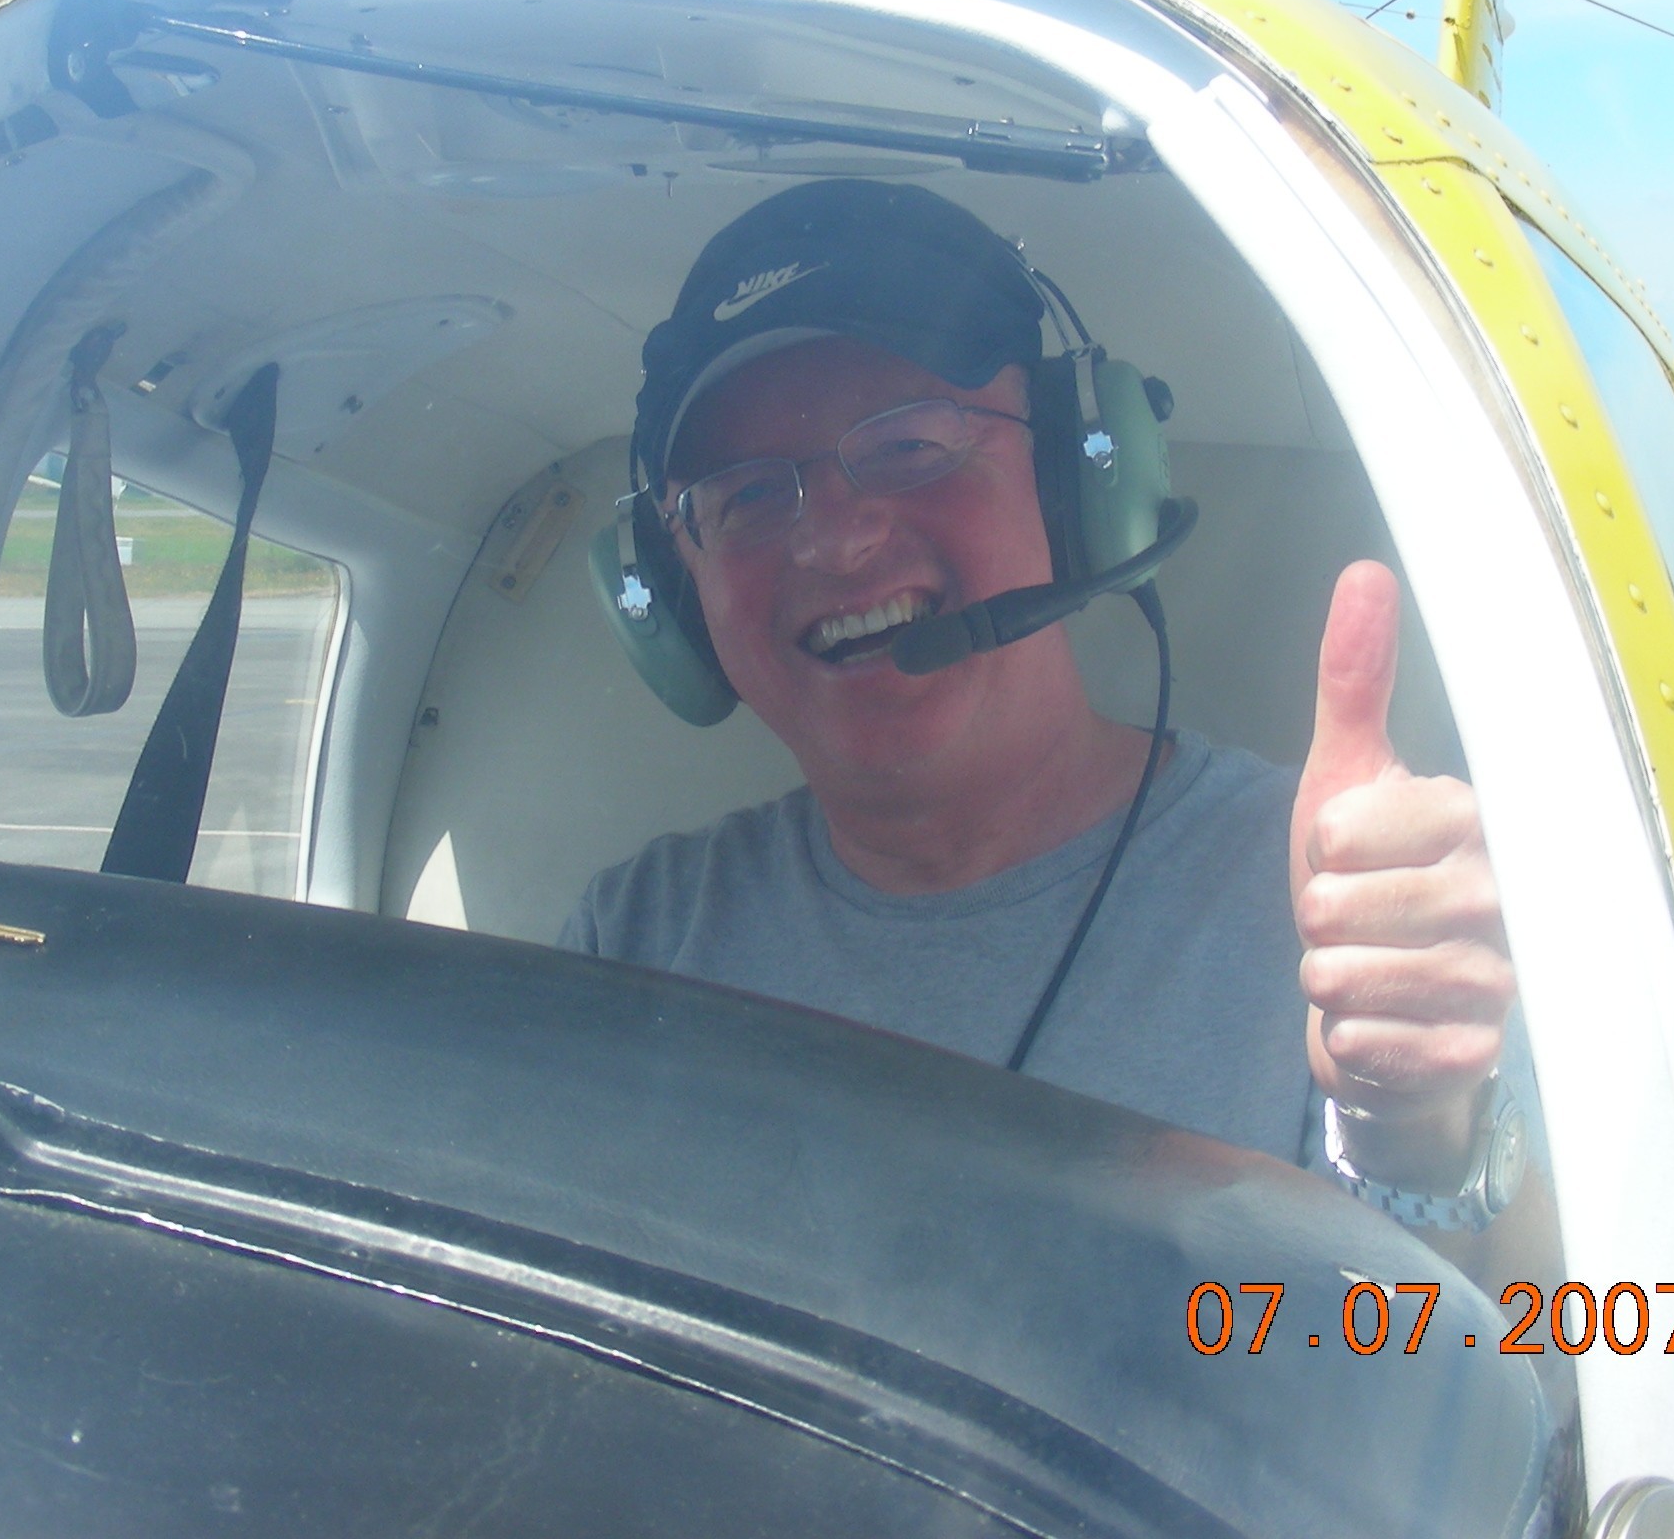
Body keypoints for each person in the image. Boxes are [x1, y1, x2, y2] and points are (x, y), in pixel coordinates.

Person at [564, 181, 1518, 1221]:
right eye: (744, 495)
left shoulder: (1345, 902)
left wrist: (1411, 1135)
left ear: (1075, 478)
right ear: (671, 596)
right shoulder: (637, 938)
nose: (832, 540)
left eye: (907, 446)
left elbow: (1543, 1339)